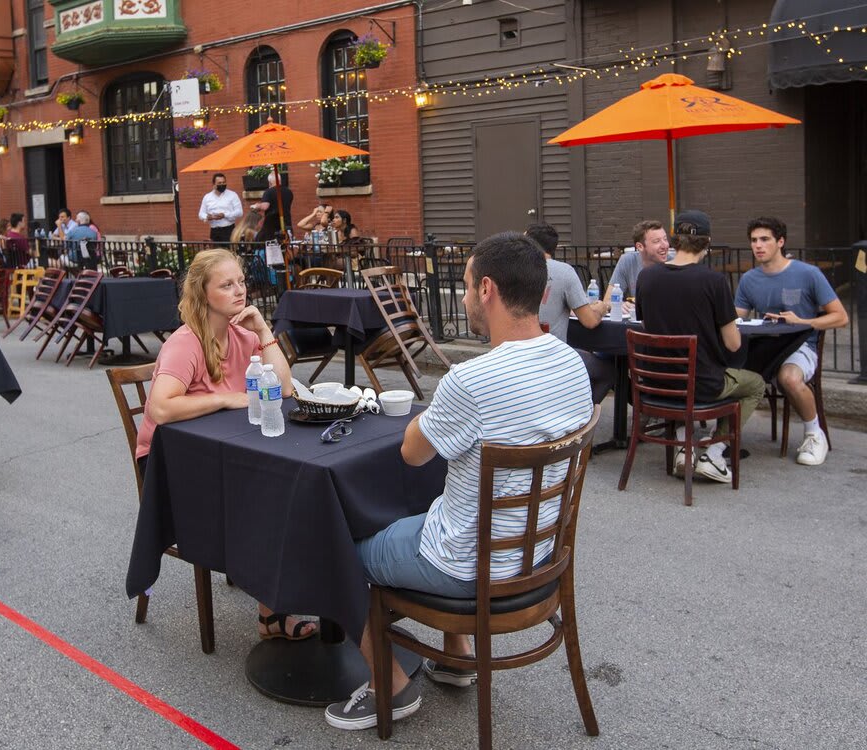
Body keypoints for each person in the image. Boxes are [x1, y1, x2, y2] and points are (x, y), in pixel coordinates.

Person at [324, 232, 593, 731]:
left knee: (338, 548)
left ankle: (391, 686)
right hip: (540, 556)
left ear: (487, 289)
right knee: (447, 502)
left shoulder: (470, 381)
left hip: (466, 565)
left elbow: (411, 453)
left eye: (467, 287)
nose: (466, 297)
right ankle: (454, 655)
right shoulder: (571, 362)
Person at [135, 248, 316, 642]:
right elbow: (161, 406)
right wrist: (224, 397)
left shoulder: (242, 335)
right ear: (203, 294)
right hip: (172, 467)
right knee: (272, 498)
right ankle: (272, 615)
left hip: (226, 454)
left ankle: (288, 592)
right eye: (227, 284)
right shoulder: (186, 343)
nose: (240, 291)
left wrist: (265, 332)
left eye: (241, 281)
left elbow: (284, 389)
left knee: (297, 487)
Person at [635, 210, 765, 483]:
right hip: (701, 383)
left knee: (686, 377)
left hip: (655, 385)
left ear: (674, 241)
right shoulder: (714, 282)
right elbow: (733, 343)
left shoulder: (646, 277)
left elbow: (646, 323)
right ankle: (713, 452)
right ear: (707, 243)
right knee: (755, 384)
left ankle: (685, 447)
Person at [734, 216, 849, 466]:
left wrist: (803, 322)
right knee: (729, 373)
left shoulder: (808, 274)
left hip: (801, 346)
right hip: (764, 347)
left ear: (781, 242)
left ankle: (814, 435)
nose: (758, 245)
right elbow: (735, 320)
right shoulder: (749, 279)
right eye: (754, 240)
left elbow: (841, 317)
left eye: (765, 239)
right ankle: (723, 437)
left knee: (789, 378)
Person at [525, 223, 612, 404]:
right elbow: (589, 321)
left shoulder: (513, 270)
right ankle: (582, 417)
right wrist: (602, 307)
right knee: (608, 373)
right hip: (552, 355)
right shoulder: (564, 272)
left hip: (518, 353)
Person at [605, 219, 671, 314]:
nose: (665, 245)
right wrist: (619, 305)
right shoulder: (627, 261)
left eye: (665, 239)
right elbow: (607, 301)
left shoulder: (674, 263)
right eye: (657, 241)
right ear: (640, 246)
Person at [199, 173, 243, 245]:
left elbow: (239, 212)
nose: (222, 184)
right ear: (214, 184)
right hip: (214, 231)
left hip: (229, 229)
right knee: (216, 254)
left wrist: (225, 215)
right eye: (219, 183)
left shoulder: (232, 195)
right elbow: (201, 214)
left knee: (229, 252)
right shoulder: (207, 197)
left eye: (224, 182)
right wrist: (207, 217)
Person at [252, 171, 293, 243]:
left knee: (272, 249)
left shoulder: (269, 192)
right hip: (286, 223)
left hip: (272, 227)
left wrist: (256, 206)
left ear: (270, 182)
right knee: (286, 248)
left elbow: (265, 206)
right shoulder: (289, 192)